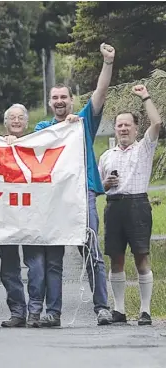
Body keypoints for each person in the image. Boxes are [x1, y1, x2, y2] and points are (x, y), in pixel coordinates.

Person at [33, 43, 116, 327]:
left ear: (71, 100)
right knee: (54, 258)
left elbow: (100, 94)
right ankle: (53, 313)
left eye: (64, 97)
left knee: (92, 252)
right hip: (54, 200)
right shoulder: (42, 130)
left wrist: (107, 63)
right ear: (49, 103)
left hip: (83, 194)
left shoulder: (82, 122)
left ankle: (102, 307)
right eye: (54, 97)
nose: (59, 101)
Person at [99, 85, 162, 326]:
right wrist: (106, 183)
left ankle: (145, 311)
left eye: (128, 125)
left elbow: (156, 124)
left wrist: (146, 96)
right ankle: (119, 310)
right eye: (119, 125)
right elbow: (99, 187)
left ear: (136, 128)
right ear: (114, 129)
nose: (123, 128)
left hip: (137, 205)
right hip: (114, 205)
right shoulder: (107, 156)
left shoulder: (144, 148)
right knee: (116, 258)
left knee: (141, 257)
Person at [0, 104, 30, 327]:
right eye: (12, 118)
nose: (16, 121)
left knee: (36, 267)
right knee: (9, 268)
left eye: (20, 118)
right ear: (5, 123)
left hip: (31, 215)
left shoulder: (40, 143)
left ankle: (36, 310)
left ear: (26, 123)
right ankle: (18, 311)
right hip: (5, 217)